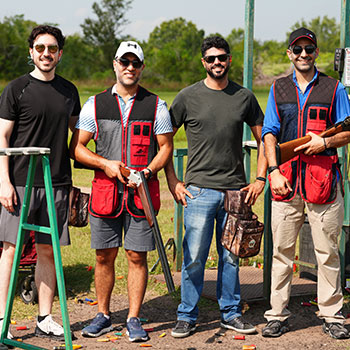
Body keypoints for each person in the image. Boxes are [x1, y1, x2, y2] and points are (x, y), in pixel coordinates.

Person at [69, 40, 173, 342]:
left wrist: (148, 172)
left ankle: (133, 318)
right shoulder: (95, 103)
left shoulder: (156, 105)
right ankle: (102, 315)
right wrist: (105, 164)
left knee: (137, 257)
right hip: (105, 192)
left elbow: (165, 147)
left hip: (141, 195)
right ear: (115, 64)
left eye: (135, 63)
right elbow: (77, 148)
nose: (129, 68)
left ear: (142, 67)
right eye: (124, 62)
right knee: (104, 257)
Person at [165, 36, 267, 338]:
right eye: (211, 59)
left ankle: (231, 313)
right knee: (194, 256)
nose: (217, 63)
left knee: (231, 256)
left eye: (222, 57)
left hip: (236, 192)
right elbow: (164, 142)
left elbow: (266, 139)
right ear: (203, 62)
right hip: (197, 190)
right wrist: (173, 181)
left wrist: (260, 178)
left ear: (230, 59)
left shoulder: (244, 97)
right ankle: (187, 314)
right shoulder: (186, 97)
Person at [262, 27, 350, 339]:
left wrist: (323, 144)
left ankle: (331, 314)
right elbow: (270, 132)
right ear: (289, 53)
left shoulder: (333, 87)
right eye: (297, 50)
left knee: (327, 253)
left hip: (323, 182)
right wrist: (273, 170)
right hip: (286, 182)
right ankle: (277, 314)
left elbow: (348, 131)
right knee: (282, 254)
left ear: (315, 53)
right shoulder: (278, 88)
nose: (303, 55)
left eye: (308, 50)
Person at [0, 25, 81, 341]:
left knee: (48, 251)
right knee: (10, 250)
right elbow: (2, 137)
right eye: (40, 48)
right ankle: (2, 318)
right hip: (19, 182)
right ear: (31, 52)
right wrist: (3, 183)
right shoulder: (16, 89)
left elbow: (81, 136)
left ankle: (44, 318)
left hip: (56, 183)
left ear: (60, 53)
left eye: (52, 48)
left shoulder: (69, 91)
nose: (46, 53)